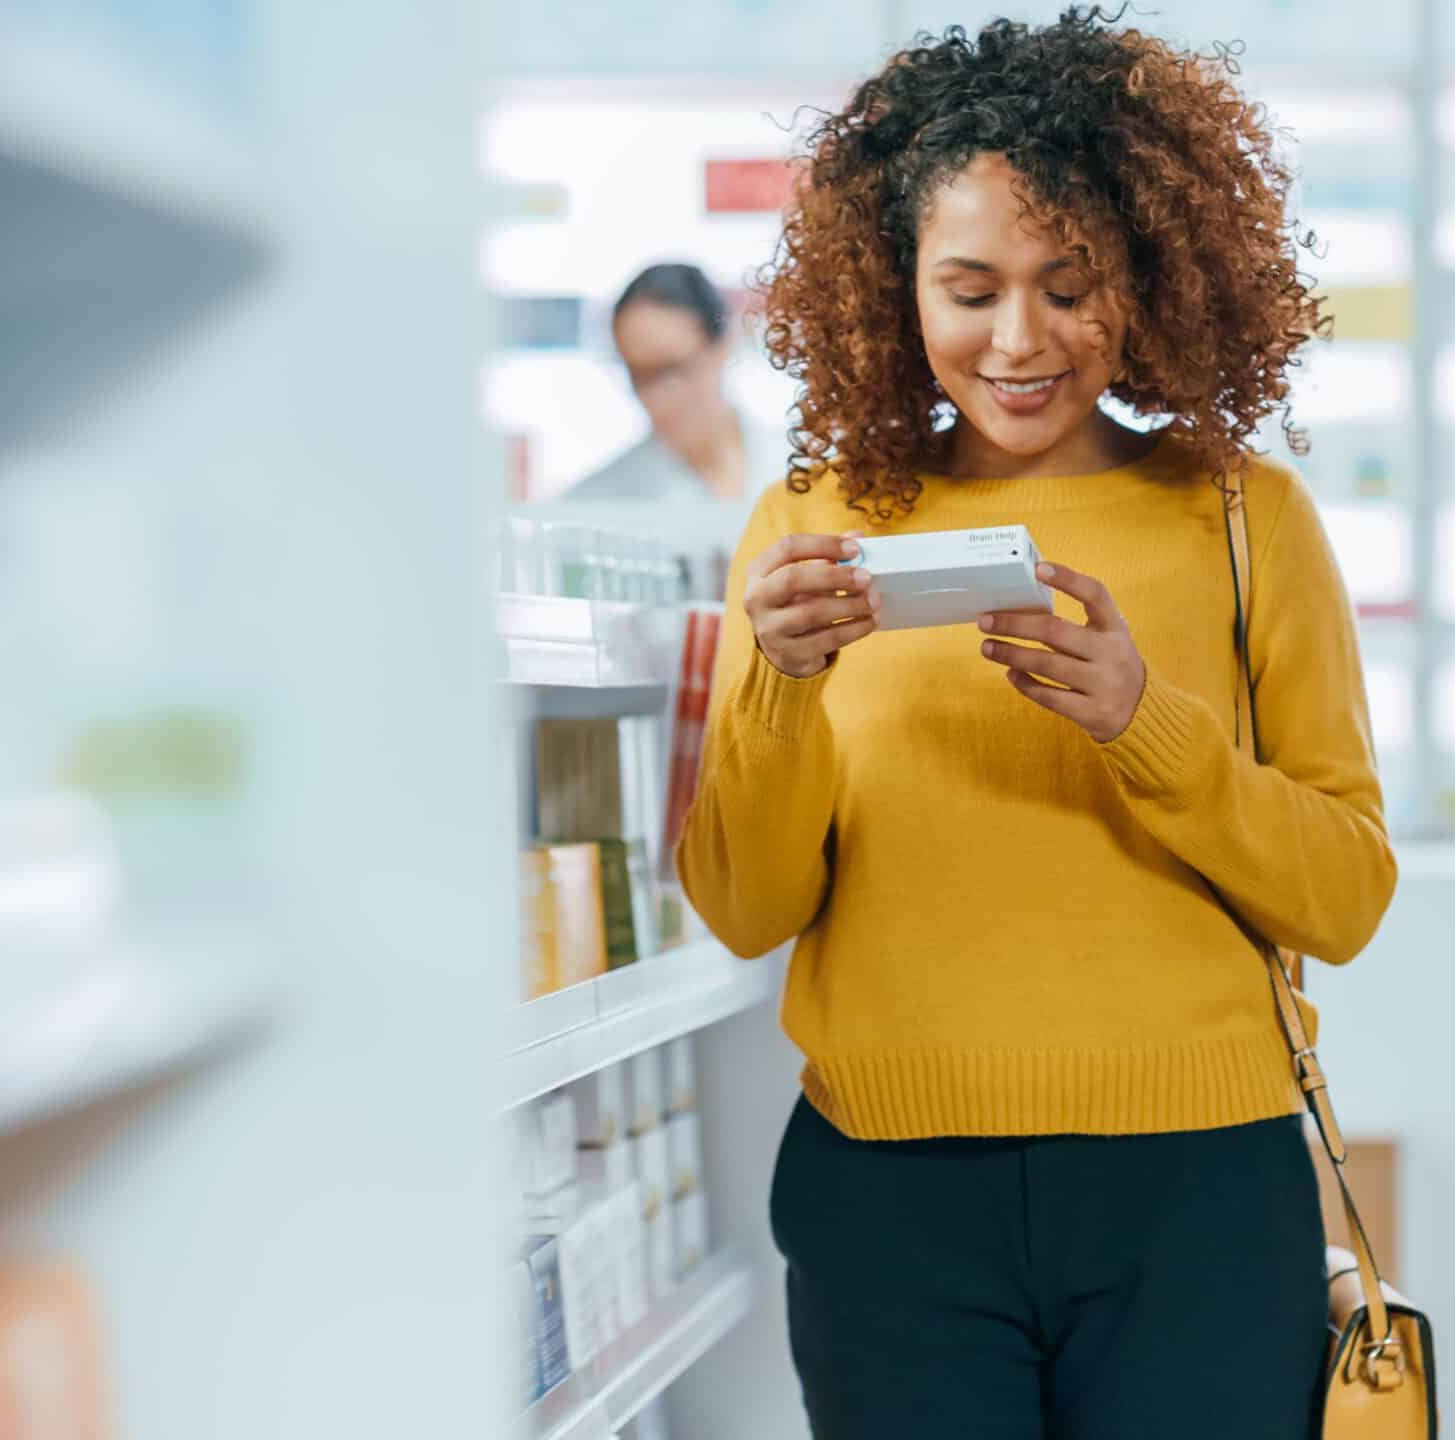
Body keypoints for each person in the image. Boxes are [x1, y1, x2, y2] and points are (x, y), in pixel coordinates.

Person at [673, 12, 1397, 1439]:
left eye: (1073, 286)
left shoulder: (1246, 516)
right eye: (971, 288)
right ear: (897, 291)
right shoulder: (812, 524)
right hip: (889, 1199)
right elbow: (748, 909)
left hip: (1196, 1188)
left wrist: (1149, 725)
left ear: (1149, 278)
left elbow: (1347, 892)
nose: (1021, 340)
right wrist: (782, 682)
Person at [562, 262, 784, 503]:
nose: (657, 400)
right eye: (639, 377)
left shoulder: (808, 471)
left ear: (722, 347)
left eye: (672, 371)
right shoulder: (595, 503)